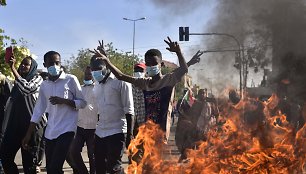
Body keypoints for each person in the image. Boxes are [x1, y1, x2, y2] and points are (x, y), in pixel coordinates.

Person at [93, 37, 204, 141]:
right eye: (148, 64)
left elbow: (183, 69)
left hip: (161, 132)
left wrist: (178, 52)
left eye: (154, 64)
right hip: (146, 130)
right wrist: (107, 60)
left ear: (161, 65)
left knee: (155, 160)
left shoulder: (169, 80)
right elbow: (120, 76)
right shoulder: (144, 82)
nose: (151, 66)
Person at [22, 51, 87, 174]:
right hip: (51, 131)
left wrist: (65, 101)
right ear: (44, 64)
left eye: (57, 63)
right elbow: (38, 110)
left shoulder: (70, 79)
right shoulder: (44, 85)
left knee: (55, 168)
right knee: (51, 170)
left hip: (67, 130)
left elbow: (83, 103)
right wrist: (28, 134)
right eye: (51, 63)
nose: (55, 66)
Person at [0, 56, 46, 174]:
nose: (23, 66)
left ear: (33, 67)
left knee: (29, 164)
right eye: (22, 64)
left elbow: (27, 89)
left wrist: (13, 69)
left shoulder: (38, 79)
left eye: (26, 64)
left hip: (32, 128)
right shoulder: (17, 82)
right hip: (15, 127)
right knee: (5, 156)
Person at [90, 55, 134, 173]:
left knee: (113, 167)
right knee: (99, 167)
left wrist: (129, 135)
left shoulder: (121, 83)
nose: (95, 73)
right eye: (93, 71)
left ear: (107, 66)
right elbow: (98, 110)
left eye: (98, 70)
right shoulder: (96, 85)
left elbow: (129, 111)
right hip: (100, 132)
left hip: (117, 131)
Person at [67, 66, 97, 174]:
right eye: (86, 74)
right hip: (80, 127)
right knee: (73, 151)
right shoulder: (80, 88)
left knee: (92, 155)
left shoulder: (98, 88)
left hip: (94, 128)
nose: (87, 76)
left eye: (89, 74)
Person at [132, 62, 146, 136]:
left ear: (145, 72)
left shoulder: (148, 85)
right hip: (132, 121)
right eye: (136, 70)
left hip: (143, 121)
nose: (138, 72)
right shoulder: (130, 85)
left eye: (141, 71)